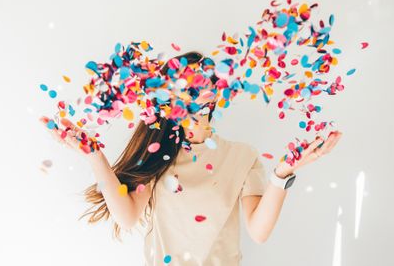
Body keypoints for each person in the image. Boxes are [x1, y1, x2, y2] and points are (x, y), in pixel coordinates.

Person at [40, 51, 343, 266]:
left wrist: (283, 172)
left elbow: (259, 232)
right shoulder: (158, 154)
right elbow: (128, 216)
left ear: (215, 92)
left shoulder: (242, 156)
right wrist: (93, 153)